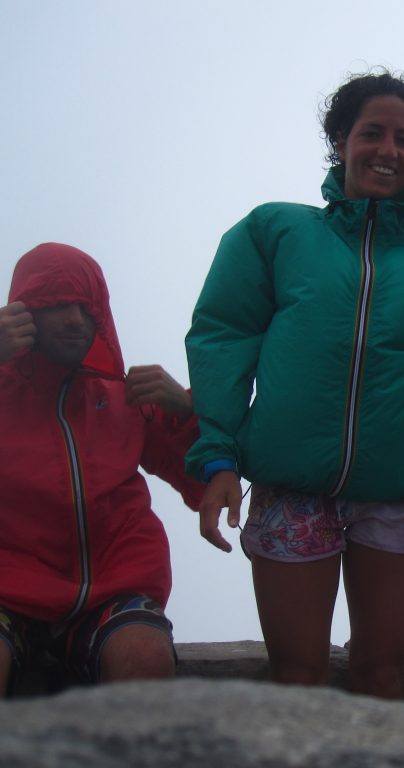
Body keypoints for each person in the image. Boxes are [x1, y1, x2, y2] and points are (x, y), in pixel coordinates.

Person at [186, 69, 404, 699]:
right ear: (340, 140)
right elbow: (223, 337)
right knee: (297, 677)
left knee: (381, 675)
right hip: (290, 488)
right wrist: (217, 453)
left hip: (397, 496)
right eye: (372, 133)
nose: (388, 150)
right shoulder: (275, 232)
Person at [0, 242, 204, 697]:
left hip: (114, 590)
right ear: (22, 311)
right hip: (9, 592)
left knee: (145, 657)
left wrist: (188, 408)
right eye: (55, 305)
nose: (75, 318)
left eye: (86, 306)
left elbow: (203, 477)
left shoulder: (124, 398)